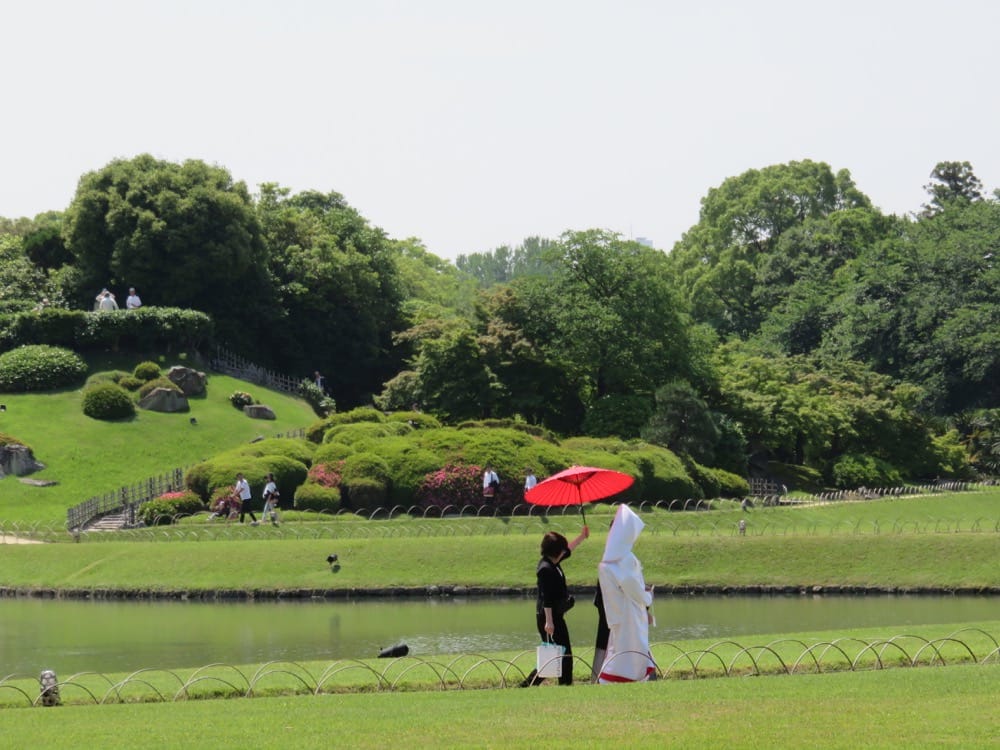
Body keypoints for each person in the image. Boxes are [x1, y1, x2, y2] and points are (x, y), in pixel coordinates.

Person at [521, 525, 589, 686]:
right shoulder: (545, 569)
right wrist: (549, 622)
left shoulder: (553, 561)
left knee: (556, 654)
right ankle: (563, 685)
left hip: (555, 615)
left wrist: (582, 536)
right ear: (556, 551)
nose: (564, 552)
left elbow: (568, 550)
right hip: (548, 617)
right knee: (560, 654)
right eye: (562, 549)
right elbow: (547, 598)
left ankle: (529, 685)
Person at [597, 504, 656, 683]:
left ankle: (617, 678)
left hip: (617, 611)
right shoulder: (624, 559)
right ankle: (624, 678)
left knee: (620, 648)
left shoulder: (609, 559)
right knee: (632, 650)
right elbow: (633, 588)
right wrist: (648, 597)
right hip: (630, 613)